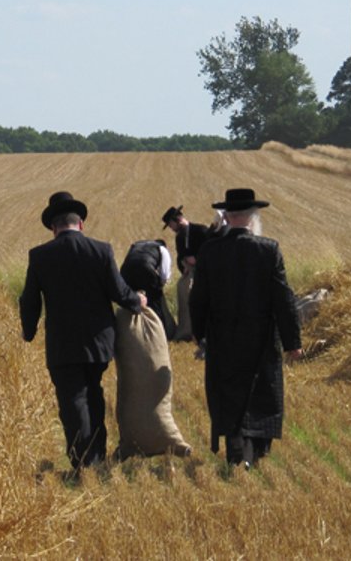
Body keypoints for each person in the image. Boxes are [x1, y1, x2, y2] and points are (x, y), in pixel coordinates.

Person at [20, 191, 147, 476]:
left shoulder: (40, 255)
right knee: (94, 394)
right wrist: (137, 302)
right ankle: (97, 454)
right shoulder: (102, 250)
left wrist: (28, 332)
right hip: (99, 342)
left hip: (62, 344)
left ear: (53, 227)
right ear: (81, 224)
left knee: (72, 400)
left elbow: (29, 300)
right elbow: (119, 291)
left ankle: (83, 460)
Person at [189, 188, 303, 468]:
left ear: (227, 217)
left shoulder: (210, 251)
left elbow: (198, 297)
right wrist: (293, 342)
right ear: (253, 217)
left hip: (222, 336)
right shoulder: (269, 249)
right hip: (261, 337)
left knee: (228, 392)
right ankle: (255, 454)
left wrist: (199, 332)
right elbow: (283, 300)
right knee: (261, 392)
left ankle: (238, 453)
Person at [162, 205, 214, 342]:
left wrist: (197, 259)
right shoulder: (179, 238)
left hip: (205, 275)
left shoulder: (201, 230)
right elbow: (180, 257)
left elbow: (211, 251)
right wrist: (183, 265)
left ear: (177, 219)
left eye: (171, 224)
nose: (171, 228)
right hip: (189, 275)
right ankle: (187, 331)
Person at [120, 238, 175, 339]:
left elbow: (129, 260)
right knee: (155, 302)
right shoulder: (162, 249)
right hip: (145, 268)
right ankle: (160, 333)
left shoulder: (136, 244)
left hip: (125, 271)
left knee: (129, 302)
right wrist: (158, 287)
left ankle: (128, 333)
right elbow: (164, 275)